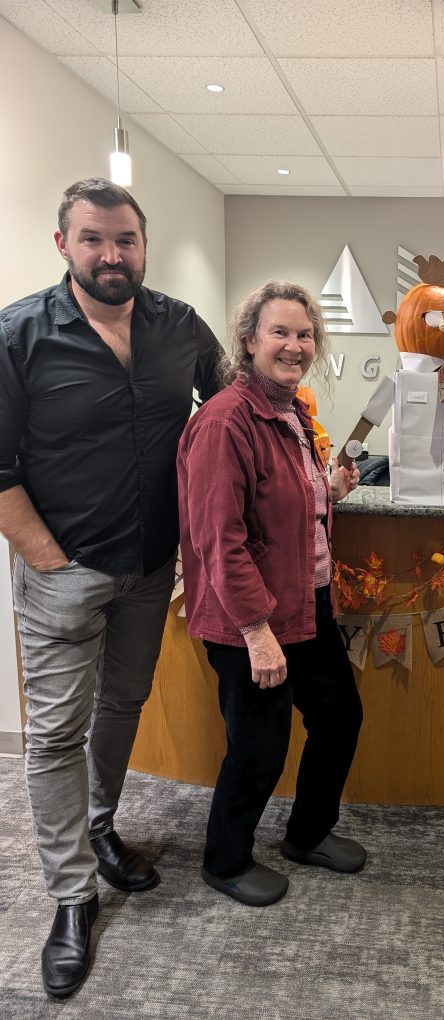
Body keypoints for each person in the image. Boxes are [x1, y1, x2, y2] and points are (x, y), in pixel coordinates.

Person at [0, 178, 222, 996]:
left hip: (149, 566)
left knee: (124, 703)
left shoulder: (176, 326)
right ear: (64, 244)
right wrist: (45, 556)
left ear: (143, 244)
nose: (111, 254)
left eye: (125, 239)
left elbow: (232, 402)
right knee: (56, 732)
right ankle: (68, 897)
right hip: (64, 569)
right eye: (93, 239)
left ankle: (100, 830)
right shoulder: (18, 335)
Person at [177, 280, 365, 908]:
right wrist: (257, 632)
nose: (294, 345)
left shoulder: (290, 411)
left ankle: (307, 834)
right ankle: (225, 860)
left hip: (305, 601)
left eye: (304, 333)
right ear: (249, 340)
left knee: (339, 717)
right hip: (248, 615)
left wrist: (327, 491)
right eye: (279, 332)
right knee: (259, 744)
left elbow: (282, 507)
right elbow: (216, 537)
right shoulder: (225, 419)